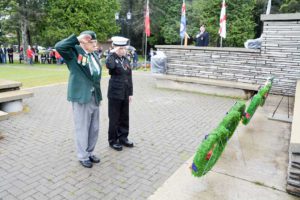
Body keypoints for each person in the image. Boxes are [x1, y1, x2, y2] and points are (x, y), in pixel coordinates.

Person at [55, 31, 102, 168]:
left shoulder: (93, 55)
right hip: (82, 97)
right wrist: (77, 39)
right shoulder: (73, 53)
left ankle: (90, 152)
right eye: (91, 42)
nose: (95, 44)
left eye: (95, 42)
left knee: (94, 128)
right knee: (82, 127)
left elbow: (95, 76)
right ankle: (83, 156)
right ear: (83, 43)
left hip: (94, 96)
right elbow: (59, 47)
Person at [106, 36, 134, 151]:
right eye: (120, 48)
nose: (123, 50)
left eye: (124, 48)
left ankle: (123, 138)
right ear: (116, 48)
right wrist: (112, 53)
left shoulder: (126, 59)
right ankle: (113, 140)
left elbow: (129, 76)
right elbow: (110, 66)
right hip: (115, 93)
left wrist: (130, 93)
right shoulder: (111, 58)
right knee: (114, 118)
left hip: (125, 93)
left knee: (124, 117)